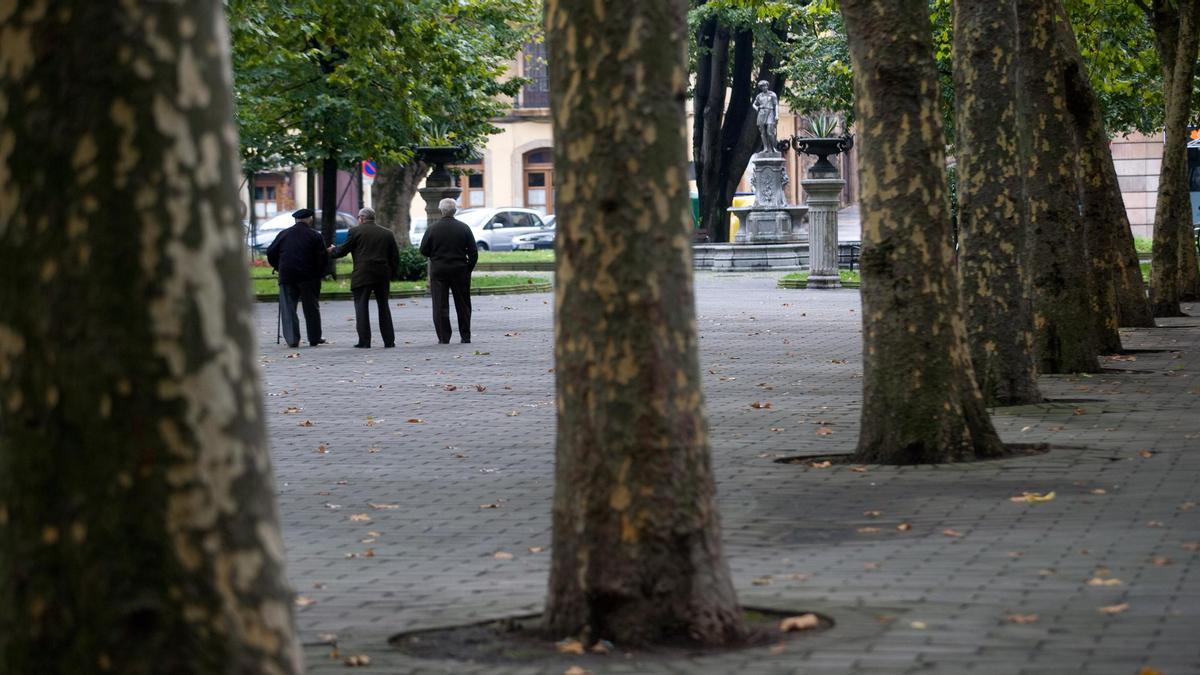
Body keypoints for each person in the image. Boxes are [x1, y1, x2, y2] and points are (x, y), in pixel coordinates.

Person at [328, 207, 400, 348]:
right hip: (382, 274)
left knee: (361, 307)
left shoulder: (355, 232)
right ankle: (389, 341)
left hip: (362, 274)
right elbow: (395, 257)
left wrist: (332, 250)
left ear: (361, 218)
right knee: (383, 306)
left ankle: (364, 341)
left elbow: (343, 250)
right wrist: (392, 273)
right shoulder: (387, 233)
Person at [419, 198, 478, 344]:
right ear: (455, 211)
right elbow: (473, 252)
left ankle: (444, 337)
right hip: (460, 270)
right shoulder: (464, 228)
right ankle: (465, 336)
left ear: (441, 210)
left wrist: (435, 256)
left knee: (439, 304)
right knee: (463, 303)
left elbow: (423, 250)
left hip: (439, 270)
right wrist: (467, 268)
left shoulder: (432, 228)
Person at [266, 208, 327, 348]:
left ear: (296, 220)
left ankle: (292, 339)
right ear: (309, 220)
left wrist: (278, 266)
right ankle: (314, 338)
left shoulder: (283, 234)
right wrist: (320, 273)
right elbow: (321, 257)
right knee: (311, 307)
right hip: (309, 276)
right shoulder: (315, 235)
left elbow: (271, 252)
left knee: (288, 308)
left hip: (287, 274)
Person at [752, 80, 778, 154]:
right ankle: (765, 148)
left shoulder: (772, 94)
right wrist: (757, 108)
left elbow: (776, 105)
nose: (764, 87)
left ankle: (773, 147)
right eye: (762, 86)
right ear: (760, 88)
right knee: (763, 132)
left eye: (765, 85)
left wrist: (777, 114)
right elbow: (754, 104)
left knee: (770, 131)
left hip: (770, 112)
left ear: (767, 86)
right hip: (762, 113)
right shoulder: (759, 96)